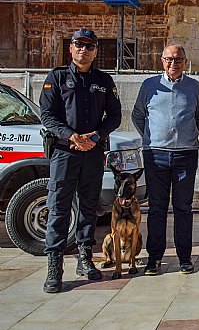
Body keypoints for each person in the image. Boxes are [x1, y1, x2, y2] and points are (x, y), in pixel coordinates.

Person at [39, 29, 122, 293]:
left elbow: (115, 116)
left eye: (89, 46)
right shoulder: (57, 77)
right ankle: (55, 264)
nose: (83, 50)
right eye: (78, 45)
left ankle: (85, 257)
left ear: (96, 51)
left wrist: (96, 136)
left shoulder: (104, 81)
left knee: (89, 206)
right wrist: (71, 136)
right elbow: (47, 116)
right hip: (65, 152)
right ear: (71, 49)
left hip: (93, 153)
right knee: (59, 207)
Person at [131, 44, 199, 276]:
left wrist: (187, 135)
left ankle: (184, 258)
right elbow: (138, 115)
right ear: (161, 61)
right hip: (156, 155)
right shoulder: (149, 86)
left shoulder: (194, 87)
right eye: (169, 59)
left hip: (185, 154)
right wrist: (153, 137)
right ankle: (154, 258)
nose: (174, 64)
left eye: (178, 60)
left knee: (183, 208)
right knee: (157, 208)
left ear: (185, 61)